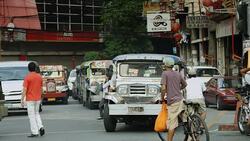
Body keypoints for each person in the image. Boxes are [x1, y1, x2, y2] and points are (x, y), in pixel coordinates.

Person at [161, 57, 187, 141]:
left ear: (165, 65)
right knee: (185, 118)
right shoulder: (177, 73)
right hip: (180, 99)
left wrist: (162, 98)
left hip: (172, 101)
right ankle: (192, 135)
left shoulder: (165, 73)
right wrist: (178, 89)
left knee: (171, 124)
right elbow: (185, 84)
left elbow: (163, 88)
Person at [21, 62, 45, 137]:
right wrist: (41, 97)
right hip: (38, 98)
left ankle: (35, 132)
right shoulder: (39, 77)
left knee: (31, 116)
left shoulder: (27, 77)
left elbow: (25, 89)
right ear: (35, 68)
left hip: (30, 99)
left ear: (28, 69)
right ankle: (40, 127)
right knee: (37, 113)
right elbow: (41, 88)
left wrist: (22, 99)